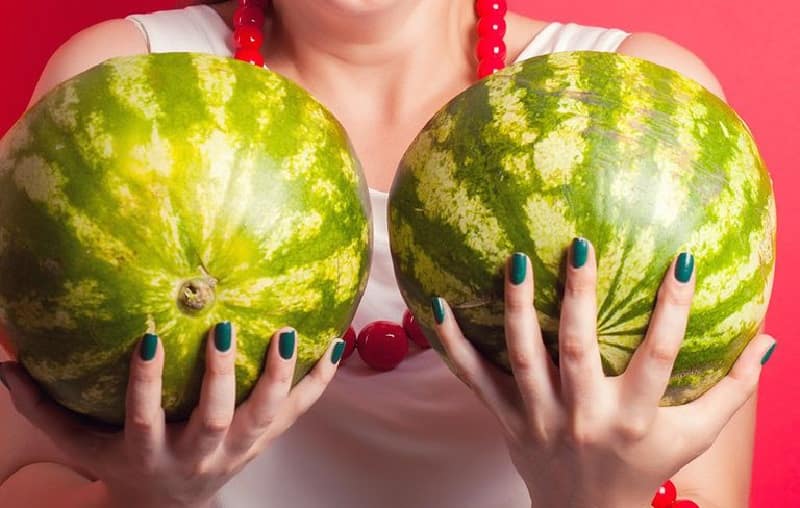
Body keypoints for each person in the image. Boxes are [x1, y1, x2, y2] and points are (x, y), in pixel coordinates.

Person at [0, 1, 776, 507]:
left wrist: (597, 497)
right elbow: (21, 476)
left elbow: (710, 491)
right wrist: (141, 502)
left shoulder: (637, 99)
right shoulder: (118, 83)